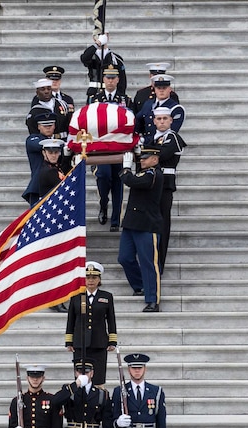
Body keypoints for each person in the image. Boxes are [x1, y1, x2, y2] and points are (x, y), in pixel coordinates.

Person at [118, 145, 163, 312]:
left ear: (155, 159)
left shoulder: (154, 174)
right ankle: (140, 285)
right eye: (141, 158)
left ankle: (153, 299)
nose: (142, 160)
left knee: (148, 263)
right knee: (124, 258)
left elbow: (136, 182)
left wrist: (126, 170)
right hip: (131, 223)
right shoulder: (143, 172)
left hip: (147, 224)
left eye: (146, 158)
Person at [143, 106, 187, 273]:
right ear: (154, 121)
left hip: (165, 184)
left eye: (165, 119)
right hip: (150, 183)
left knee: (162, 223)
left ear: (171, 121)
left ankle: (159, 262)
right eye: (159, 119)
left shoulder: (173, 137)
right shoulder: (152, 139)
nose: (161, 122)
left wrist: (147, 154)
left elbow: (161, 155)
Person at [90, 64, 132, 232]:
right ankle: (103, 204)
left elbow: (131, 120)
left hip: (119, 147)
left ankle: (115, 219)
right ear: (103, 79)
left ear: (118, 80)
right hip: (101, 147)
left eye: (113, 78)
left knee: (118, 183)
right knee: (104, 176)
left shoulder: (125, 99)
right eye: (108, 78)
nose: (110, 81)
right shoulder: (95, 99)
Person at [65, 261, 118, 387]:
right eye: (87, 278)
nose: (90, 281)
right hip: (80, 342)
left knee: (98, 377)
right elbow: (71, 319)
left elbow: (111, 319)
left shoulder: (107, 296)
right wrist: (69, 340)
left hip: (99, 343)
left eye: (94, 277)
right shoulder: (76, 297)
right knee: (81, 376)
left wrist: (112, 340)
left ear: (99, 279)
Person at [23, 112, 58, 206]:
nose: (48, 127)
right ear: (38, 127)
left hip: (57, 184)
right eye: (45, 125)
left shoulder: (59, 141)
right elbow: (39, 145)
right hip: (39, 186)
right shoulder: (33, 139)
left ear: (54, 126)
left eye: (50, 125)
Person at [81, 33, 127, 104]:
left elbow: (122, 81)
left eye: (103, 35)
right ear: (94, 38)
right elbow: (84, 58)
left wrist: (121, 96)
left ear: (108, 37)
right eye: (98, 35)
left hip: (111, 94)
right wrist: (97, 44)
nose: (101, 37)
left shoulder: (116, 58)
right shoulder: (91, 55)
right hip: (94, 93)